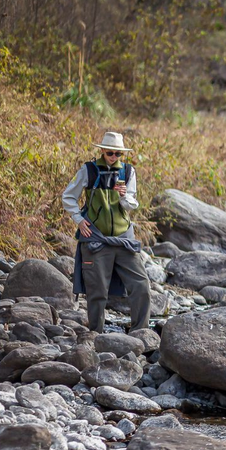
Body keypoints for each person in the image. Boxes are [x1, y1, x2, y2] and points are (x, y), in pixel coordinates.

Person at [61, 131, 152, 333]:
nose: (114, 157)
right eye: (110, 153)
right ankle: (96, 334)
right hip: (96, 238)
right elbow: (68, 196)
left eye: (118, 154)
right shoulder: (89, 170)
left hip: (123, 238)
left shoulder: (128, 172)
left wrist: (123, 197)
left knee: (141, 284)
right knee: (97, 291)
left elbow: (132, 204)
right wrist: (79, 220)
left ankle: (140, 332)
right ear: (102, 150)